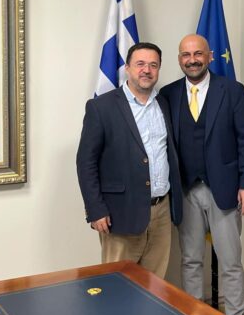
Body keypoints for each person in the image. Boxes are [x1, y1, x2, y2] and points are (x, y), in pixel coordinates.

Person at [160, 34, 244, 315]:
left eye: (198, 54)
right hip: (185, 190)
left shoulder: (232, 91)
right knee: (190, 260)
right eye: (186, 55)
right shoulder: (168, 94)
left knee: (230, 263)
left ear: (210, 56)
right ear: (179, 59)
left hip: (225, 190)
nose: (192, 60)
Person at [76, 42, 182, 278]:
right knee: (118, 284)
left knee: (155, 283)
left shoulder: (163, 104)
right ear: (127, 68)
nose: (147, 70)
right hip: (120, 213)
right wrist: (95, 209)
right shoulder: (101, 107)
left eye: (153, 65)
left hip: (161, 212)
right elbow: (86, 163)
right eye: (140, 64)